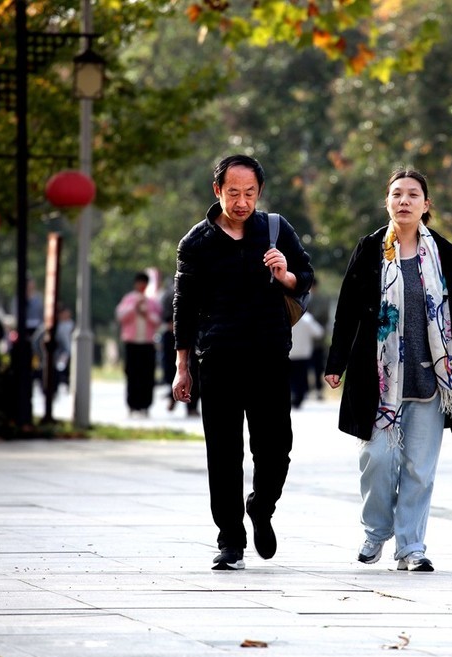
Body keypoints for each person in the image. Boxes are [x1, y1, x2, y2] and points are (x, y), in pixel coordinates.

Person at [324, 168, 452, 573]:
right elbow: (347, 309)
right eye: (397, 194)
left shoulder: (442, 253)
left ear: (426, 205)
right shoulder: (370, 249)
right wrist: (336, 362)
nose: (404, 201)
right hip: (378, 378)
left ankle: (411, 546)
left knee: (419, 468)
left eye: (413, 194)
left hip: (430, 378)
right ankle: (376, 531)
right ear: (387, 202)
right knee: (376, 458)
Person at [171, 154, 314, 571]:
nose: (242, 202)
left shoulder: (275, 229)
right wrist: (182, 366)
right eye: (233, 193)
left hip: (270, 356)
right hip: (219, 359)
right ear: (217, 191)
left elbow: (305, 277)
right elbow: (183, 308)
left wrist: (285, 275)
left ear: (259, 192)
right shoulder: (195, 243)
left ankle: (261, 507)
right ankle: (230, 540)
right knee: (223, 453)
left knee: (276, 448)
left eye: (250, 193)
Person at [115, 272, 162, 417]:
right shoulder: (129, 299)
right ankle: (132, 404)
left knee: (147, 375)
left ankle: (145, 404)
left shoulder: (152, 302)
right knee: (132, 374)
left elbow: (157, 321)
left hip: (147, 343)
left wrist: (146, 313)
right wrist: (134, 307)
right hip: (132, 343)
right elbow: (120, 316)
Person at [289, 310, 324, 409]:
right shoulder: (307, 319)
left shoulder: (287, 316)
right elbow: (319, 332)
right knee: (301, 377)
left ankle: (293, 395)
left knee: (291, 378)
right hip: (303, 354)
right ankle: (299, 397)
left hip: (290, 353)